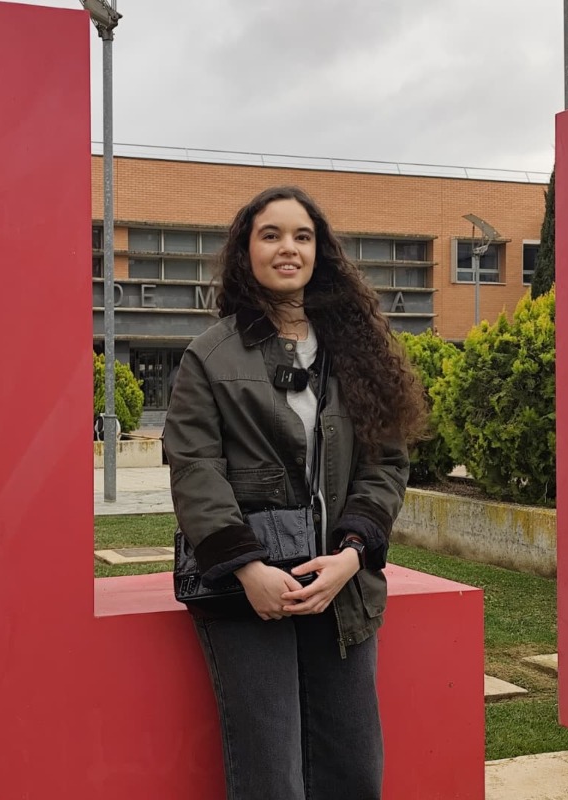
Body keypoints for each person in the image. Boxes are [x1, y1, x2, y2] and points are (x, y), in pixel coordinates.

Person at [163, 185, 427, 800]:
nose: (288, 248)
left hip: (341, 584)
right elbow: (195, 469)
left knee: (354, 770)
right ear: (245, 251)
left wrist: (352, 555)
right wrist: (247, 569)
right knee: (271, 777)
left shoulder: (358, 349)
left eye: (302, 236)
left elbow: (386, 464)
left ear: (320, 252)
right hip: (249, 589)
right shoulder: (209, 356)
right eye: (271, 235)